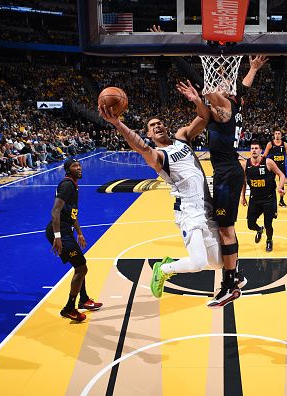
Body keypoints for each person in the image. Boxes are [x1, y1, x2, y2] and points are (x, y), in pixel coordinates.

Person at [99, 81, 230, 302]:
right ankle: (164, 269)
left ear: (166, 127)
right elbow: (141, 147)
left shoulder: (182, 138)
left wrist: (197, 100)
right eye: (152, 126)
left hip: (207, 207)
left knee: (218, 262)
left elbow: (204, 118)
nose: (157, 126)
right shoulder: (157, 156)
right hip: (188, 211)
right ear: (149, 135)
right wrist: (118, 124)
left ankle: (169, 263)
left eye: (159, 123)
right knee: (198, 263)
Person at [197, 55, 268, 308]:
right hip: (229, 173)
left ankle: (229, 287)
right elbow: (242, 87)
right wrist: (253, 69)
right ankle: (235, 275)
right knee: (227, 228)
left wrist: (170, 52)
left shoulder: (225, 110)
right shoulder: (235, 105)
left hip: (227, 174)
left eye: (225, 86)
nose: (221, 86)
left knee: (225, 230)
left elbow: (206, 88)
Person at [46, 157, 102, 322]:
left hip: (66, 231)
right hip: (59, 232)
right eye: (74, 166)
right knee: (81, 267)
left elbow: (72, 213)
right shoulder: (67, 185)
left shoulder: (73, 186)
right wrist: (57, 236)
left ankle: (83, 299)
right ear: (67, 169)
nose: (79, 168)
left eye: (79, 165)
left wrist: (79, 233)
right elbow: (55, 212)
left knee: (80, 266)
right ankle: (69, 308)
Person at [241, 141, 285, 252]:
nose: (254, 150)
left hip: (269, 199)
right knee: (250, 224)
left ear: (261, 150)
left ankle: (269, 240)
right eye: (252, 148)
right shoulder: (245, 164)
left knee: (268, 224)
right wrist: (243, 196)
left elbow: (282, 175)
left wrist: (280, 188)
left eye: (256, 148)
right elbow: (243, 181)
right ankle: (259, 230)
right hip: (254, 199)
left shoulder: (268, 162)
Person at [263, 130, 287, 207]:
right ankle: (269, 200)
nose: (277, 135)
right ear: (274, 135)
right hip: (272, 166)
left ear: (281, 135)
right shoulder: (270, 144)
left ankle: (281, 201)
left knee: (282, 184)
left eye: (279, 134)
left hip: (281, 166)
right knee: (270, 183)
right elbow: (264, 155)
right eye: (276, 134)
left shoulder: (284, 144)